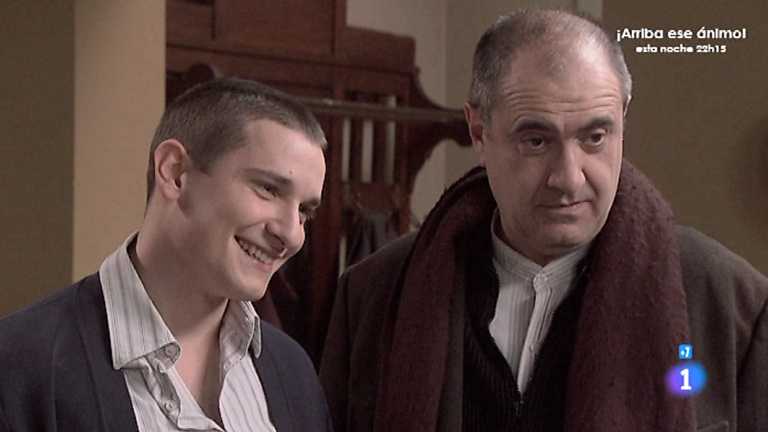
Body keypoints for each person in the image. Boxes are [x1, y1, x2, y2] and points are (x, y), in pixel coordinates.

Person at [320, 9, 768, 432]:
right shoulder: (374, 294)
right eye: (536, 140)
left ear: (623, 120)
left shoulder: (729, 300)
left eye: (595, 137)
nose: (569, 179)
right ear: (479, 132)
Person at [0, 78, 333, 431]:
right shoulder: (19, 367)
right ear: (175, 173)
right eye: (268, 188)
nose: (292, 234)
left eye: (304, 211)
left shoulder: (294, 373)